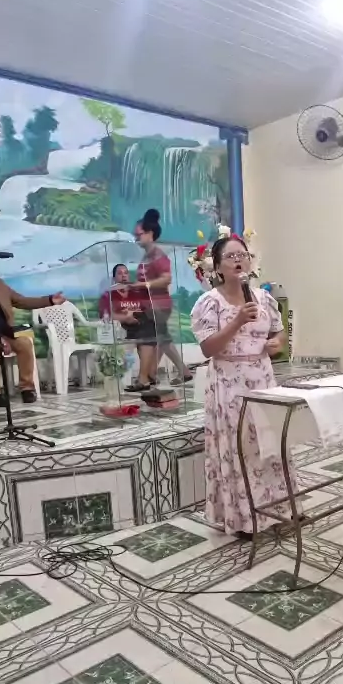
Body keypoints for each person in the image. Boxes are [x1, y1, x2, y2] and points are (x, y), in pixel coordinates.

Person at [190, 234, 291, 536]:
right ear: (217, 267)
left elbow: (279, 332)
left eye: (242, 255)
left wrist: (276, 343)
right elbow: (208, 348)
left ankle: (280, 509)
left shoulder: (263, 298)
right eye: (231, 256)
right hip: (229, 384)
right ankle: (243, 519)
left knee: (270, 443)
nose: (238, 260)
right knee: (239, 448)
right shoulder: (209, 302)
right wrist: (236, 322)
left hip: (263, 378)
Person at [130, 210, 192, 390]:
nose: (136, 239)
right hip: (150, 305)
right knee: (163, 339)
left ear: (150, 234)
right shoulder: (146, 256)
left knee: (160, 339)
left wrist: (144, 285)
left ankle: (151, 374)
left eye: (139, 235)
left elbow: (166, 278)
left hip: (159, 305)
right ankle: (175, 372)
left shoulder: (159, 256)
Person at [0, 277, 65, 406]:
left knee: (24, 343)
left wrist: (50, 300)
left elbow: (22, 301)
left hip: (6, 332)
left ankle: (27, 389)